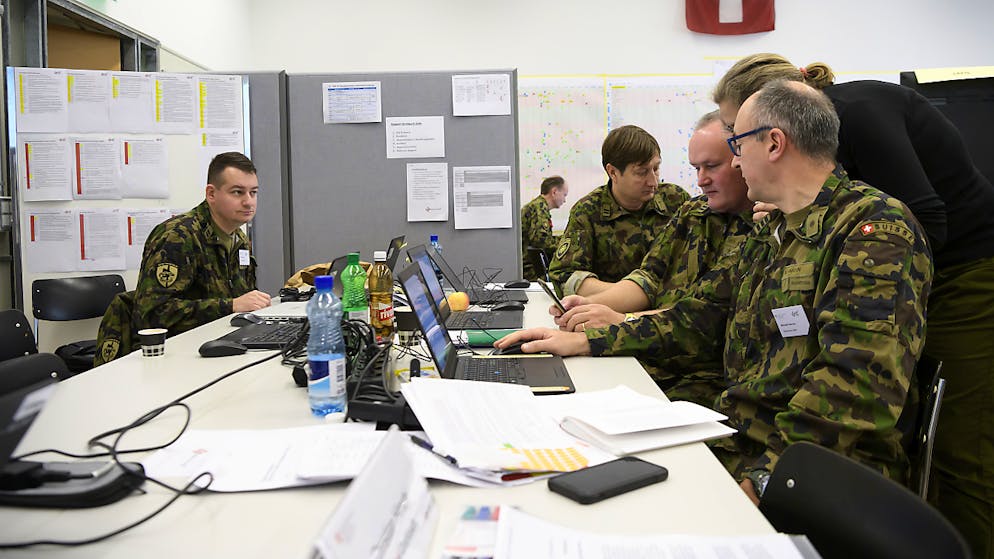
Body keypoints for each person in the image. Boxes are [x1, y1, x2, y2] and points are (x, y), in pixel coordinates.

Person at [497, 80, 932, 504]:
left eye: (738, 146)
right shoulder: (775, 230)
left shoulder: (873, 231)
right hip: (739, 437)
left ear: (774, 144)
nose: (736, 163)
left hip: (811, 473)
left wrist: (765, 482)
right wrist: (589, 340)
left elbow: (854, 384)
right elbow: (701, 316)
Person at [713, 53, 994, 558]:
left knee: (960, 445)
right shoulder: (795, 209)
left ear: (776, 135)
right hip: (905, 260)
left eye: (737, 138)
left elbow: (924, 220)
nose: (733, 158)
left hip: (970, 265)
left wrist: (876, 272)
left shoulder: (862, 123)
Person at [551, 111, 755, 406]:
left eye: (711, 166)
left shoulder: (761, 227)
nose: (701, 180)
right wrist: (591, 307)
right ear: (613, 172)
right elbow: (649, 277)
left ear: (742, 159)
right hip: (649, 347)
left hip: (695, 374)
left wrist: (617, 321)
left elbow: (701, 318)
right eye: (696, 168)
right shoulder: (695, 213)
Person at [95, 152, 271, 364]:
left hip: (217, 347)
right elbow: (152, 314)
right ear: (211, 194)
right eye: (237, 192)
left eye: (253, 192)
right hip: (169, 357)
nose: (248, 202)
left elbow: (241, 305)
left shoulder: (239, 240)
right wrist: (230, 306)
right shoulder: (178, 236)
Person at [547, 125, 689, 296]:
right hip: (609, 308)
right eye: (641, 172)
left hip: (671, 309)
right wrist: (632, 294)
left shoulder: (676, 201)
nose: (653, 182)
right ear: (613, 172)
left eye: (656, 169)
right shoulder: (588, 212)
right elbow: (564, 276)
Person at [521, 175, 568, 280]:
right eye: (564, 195)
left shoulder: (538, 206)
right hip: (531, 270)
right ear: (554, 192)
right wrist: (566, 242)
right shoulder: (539, 208)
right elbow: (540, 241)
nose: (565, 200)